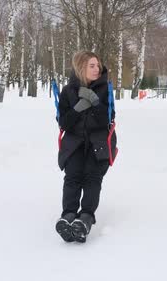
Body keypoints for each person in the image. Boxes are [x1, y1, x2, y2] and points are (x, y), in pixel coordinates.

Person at [55, 51, 116, 243]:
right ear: (81, 67)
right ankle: (68, 216)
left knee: (92, 177)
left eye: (97, 65)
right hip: (74, 142)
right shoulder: (68, 91)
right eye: (92, 65)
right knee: (72, 177)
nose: (97, 69)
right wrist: (77, 108)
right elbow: (64, 122)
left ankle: (86, 218)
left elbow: (108, 119)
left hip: (98, 142)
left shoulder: (106, 89)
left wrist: (95, 101)